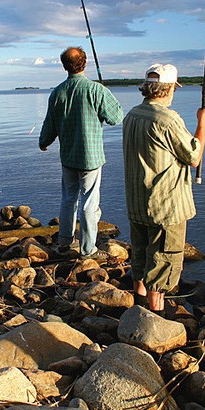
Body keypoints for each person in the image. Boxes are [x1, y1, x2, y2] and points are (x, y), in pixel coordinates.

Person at [123, 63, 205, 315]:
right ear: (168, 88)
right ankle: (154, 317)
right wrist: (202, 123)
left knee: (140, 257)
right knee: (162, 260)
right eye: (173, 87)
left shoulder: (131, 115)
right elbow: (194, 157)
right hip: (165, 206)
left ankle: (137, 310)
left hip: (137, 203)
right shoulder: (169, 120)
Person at [39, 46, 123, 259]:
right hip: (90, 158)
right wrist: (107, 95)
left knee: (68, 199)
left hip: (68, 156)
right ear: (84, 63)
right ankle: (88, 250)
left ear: (64, 66)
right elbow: (117, 117)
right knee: (89, 202)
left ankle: (65, 242)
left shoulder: (57, 92)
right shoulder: (96, 90)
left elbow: (50, 124)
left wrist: (43, 141)